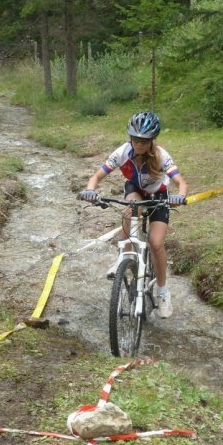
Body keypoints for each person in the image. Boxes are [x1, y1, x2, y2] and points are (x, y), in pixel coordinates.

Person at [81, 111, 188, 319]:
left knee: (156, 243)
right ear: (130, 137)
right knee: (131, 207)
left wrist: (180, 196)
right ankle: (124, 258)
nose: (138, 144)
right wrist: (91, 190)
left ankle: (163, 291)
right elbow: (97, 176)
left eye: (144, 141)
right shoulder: (122, 152)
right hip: (135, 190)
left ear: (151, 141)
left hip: (159, 195)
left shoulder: (161, 156)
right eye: (135, 139)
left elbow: (181, 182)